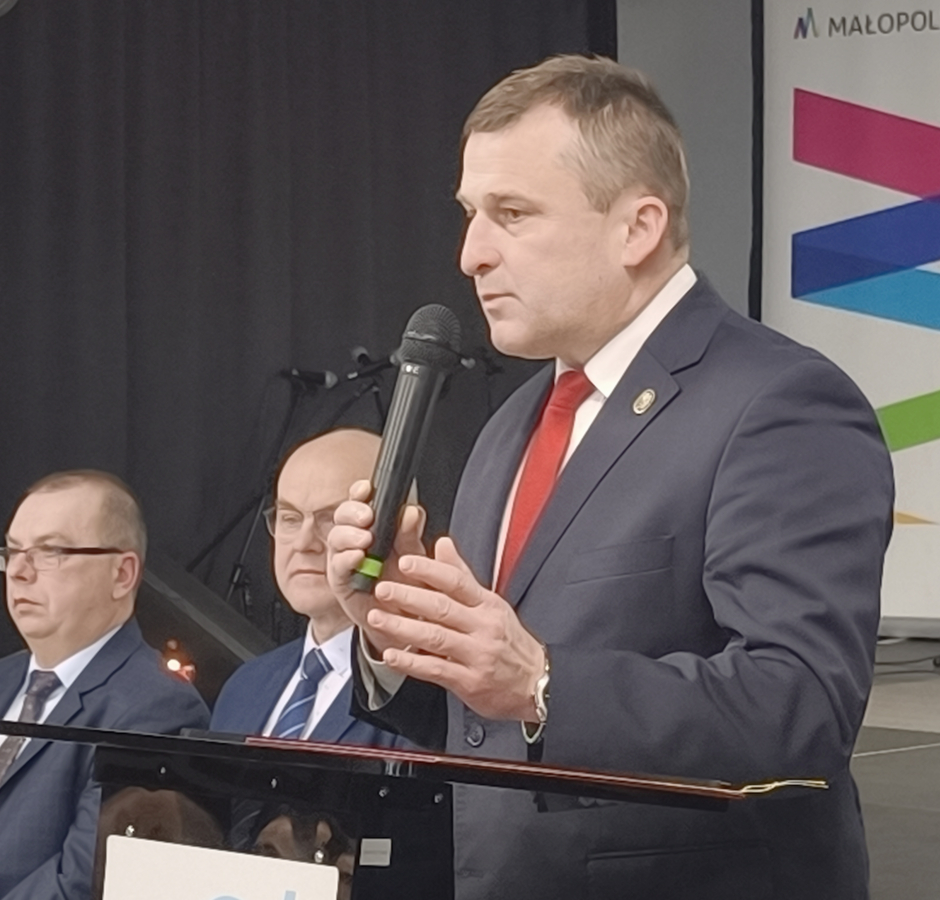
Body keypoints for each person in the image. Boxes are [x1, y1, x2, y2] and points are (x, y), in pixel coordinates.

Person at [329, 55, 894, 899]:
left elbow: (802, 706)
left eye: (512, 213)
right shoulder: (513, 422)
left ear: (638, 228)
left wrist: (543, 681)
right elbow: (487, 722)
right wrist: (397, 633)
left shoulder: (780, 404)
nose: (471, 254)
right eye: (471, 214)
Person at [0, 470, 210, 900]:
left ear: (122, 574)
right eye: (13, 551)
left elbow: (84, 880)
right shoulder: (4, 677)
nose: (19, 571)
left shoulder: (158, 707)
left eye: (50, 551)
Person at [211, 428, 417, 751]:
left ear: (399, 529)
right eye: (290, 518)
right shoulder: (243, 688)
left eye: (331, 519)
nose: (303, 543)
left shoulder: (431, 699)